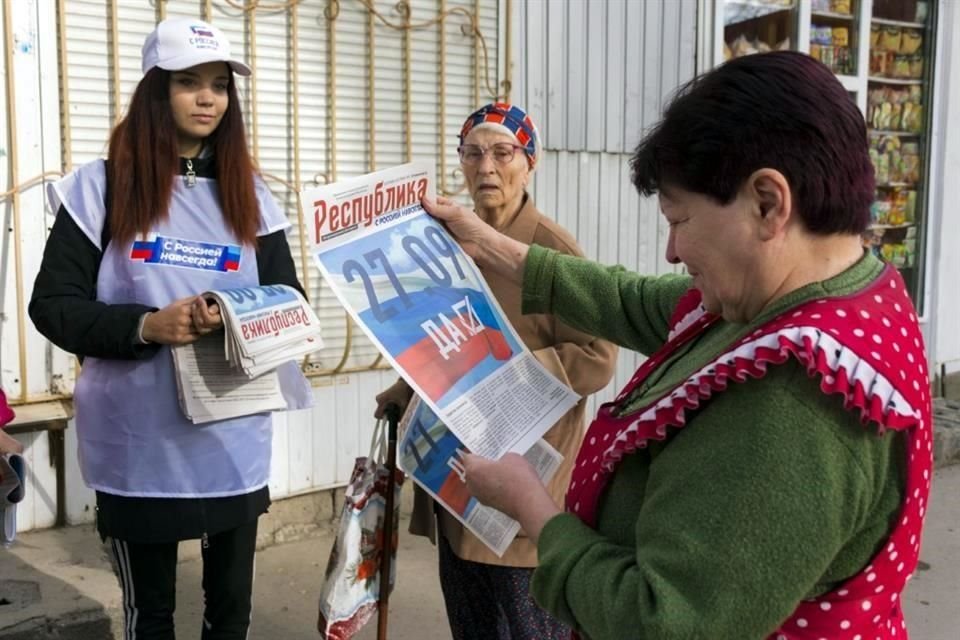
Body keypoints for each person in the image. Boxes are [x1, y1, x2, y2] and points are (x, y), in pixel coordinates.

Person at [423, 52, 932, 640]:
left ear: (768, 204)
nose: (671, 252)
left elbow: (661, 621)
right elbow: (632, 300)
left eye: (679, 220)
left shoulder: (792, 406)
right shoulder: (822, 290)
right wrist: (492, 245)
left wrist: (533, 507)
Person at [28, 17, 309, 640]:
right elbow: (52, 305)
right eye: (188, 82)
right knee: (149, 616)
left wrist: (231, 315)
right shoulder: (100, 190)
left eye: (219, 84)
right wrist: (148, 325)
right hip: (140, 445)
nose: (208, 98)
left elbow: (290, 300)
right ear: (157, 91)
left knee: (229, 613)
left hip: (232, 439)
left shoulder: (253, 196)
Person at [375, 103, 617, 640]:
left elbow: (597, 357)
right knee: (471, 622)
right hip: (453, 468)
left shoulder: (553, 250)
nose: (486, 167)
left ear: (530, 162)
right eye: (473, 153)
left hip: (526, 471)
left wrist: (508, 377)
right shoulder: (444, 242)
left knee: (530, 625)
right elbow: (439, 342)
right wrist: (402, 389)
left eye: (502, 153)